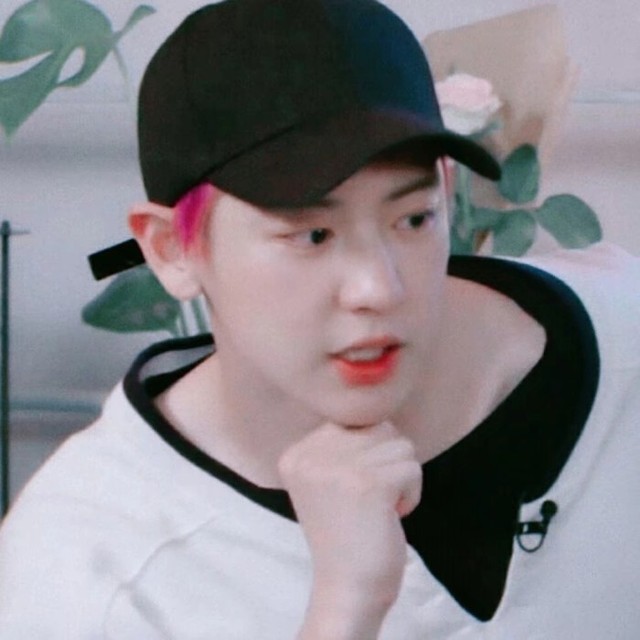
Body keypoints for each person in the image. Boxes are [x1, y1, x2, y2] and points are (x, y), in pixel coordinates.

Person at [1, 0, 639, 638]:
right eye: (312, 235)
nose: (377, 288)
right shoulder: (78, 573)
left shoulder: (625, 345)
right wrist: (344, 608)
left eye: (412, 219)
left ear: (446, 192)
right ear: (172, 249)